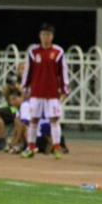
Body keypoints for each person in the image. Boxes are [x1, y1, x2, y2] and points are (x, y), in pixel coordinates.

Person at [20, 23, 68, 159]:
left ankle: (57, 147)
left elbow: (63, 71)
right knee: (33, 120)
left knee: (54, 119)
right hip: (37, 91)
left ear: (52, 37)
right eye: (43, 35)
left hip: (52, 92)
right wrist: (25, 87)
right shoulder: (33, 52)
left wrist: (64, 88)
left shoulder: (58, 52)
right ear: (39, 36)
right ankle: (30, 147)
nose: (45, 37)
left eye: (48, 35)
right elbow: (28, 71)